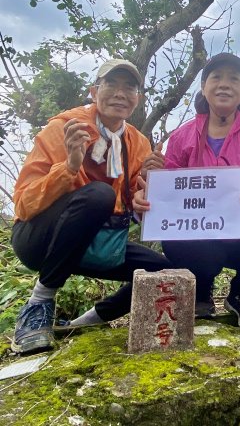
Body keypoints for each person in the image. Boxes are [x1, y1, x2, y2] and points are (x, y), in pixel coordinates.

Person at [11, 59, 171, 354]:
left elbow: (133, 202)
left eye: (130, 87)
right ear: (94, 91)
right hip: (40, 241)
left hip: (100, 242)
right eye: (112, 84)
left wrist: (144, 191)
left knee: (165, 271)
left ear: (137, 99)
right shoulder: (64, 128)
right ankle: (38, 306)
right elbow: (23, 204)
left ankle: (87, 321)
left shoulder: (137, 142)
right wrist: (69, 167)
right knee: (98, 195)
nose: (120, 93)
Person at [133, 53, 240, 336]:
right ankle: (201, 292)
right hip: (201, 240)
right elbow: (168, 194)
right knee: (174, 235)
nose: (224, 85)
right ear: (204, 87)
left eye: (234, 79)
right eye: (216, 77)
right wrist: (149, 185)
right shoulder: (182, 136)